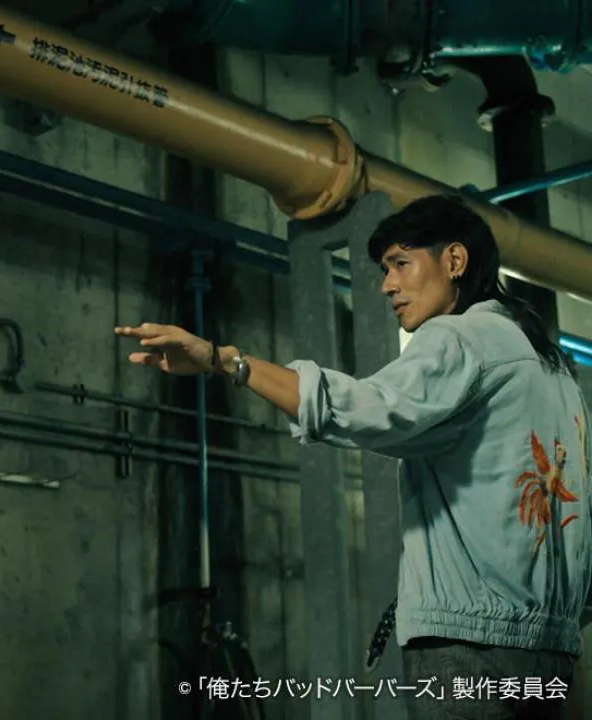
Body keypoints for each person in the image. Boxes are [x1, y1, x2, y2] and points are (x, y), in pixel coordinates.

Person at [116, 194, 592, 720]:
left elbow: (365, 407)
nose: (387, 285)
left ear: (455, 260)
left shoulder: (460, 339)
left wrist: (226, 360)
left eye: (401, 264)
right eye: (385, 270)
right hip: (550, 654)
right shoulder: (553, 371)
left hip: (470, 650)